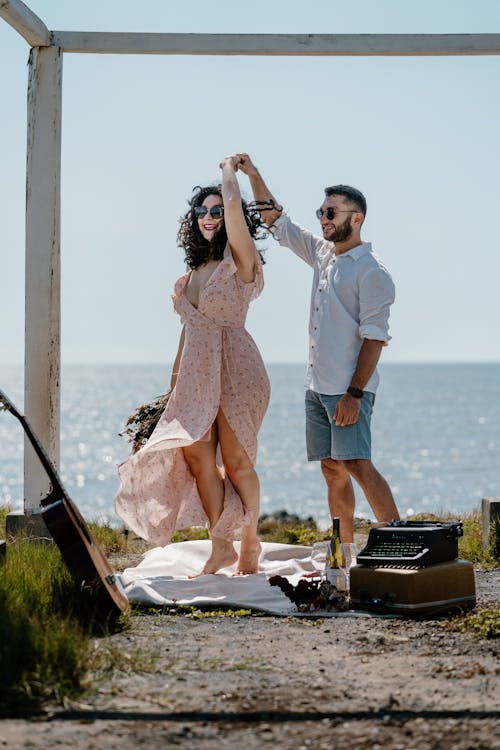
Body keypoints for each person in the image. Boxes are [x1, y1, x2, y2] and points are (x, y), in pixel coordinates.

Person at [115, 156, 270, 575]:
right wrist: (173, 389)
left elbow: (236, 207)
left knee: (236, 464)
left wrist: (228, 172)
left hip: (236, 367)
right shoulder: (192, 272)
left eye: (216, 211)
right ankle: (221, 546)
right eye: (201, 211)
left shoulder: (239, 259)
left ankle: (250, 540)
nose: (208, 217)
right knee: (198, 458)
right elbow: (187, 333)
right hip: (197, 375)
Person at [236, 153, 400, 543]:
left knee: (358, 463)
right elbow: (275, 219)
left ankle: (401, 543)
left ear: (355, 218)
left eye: (331, 212)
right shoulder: (323, 255)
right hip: (317, 386)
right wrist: (254, 174)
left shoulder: (372, 271)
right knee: (331, 467)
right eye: (321, 212)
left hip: (348, 391)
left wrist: (354, 394)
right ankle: (342, 551)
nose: (323, 219)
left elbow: (375, 338)